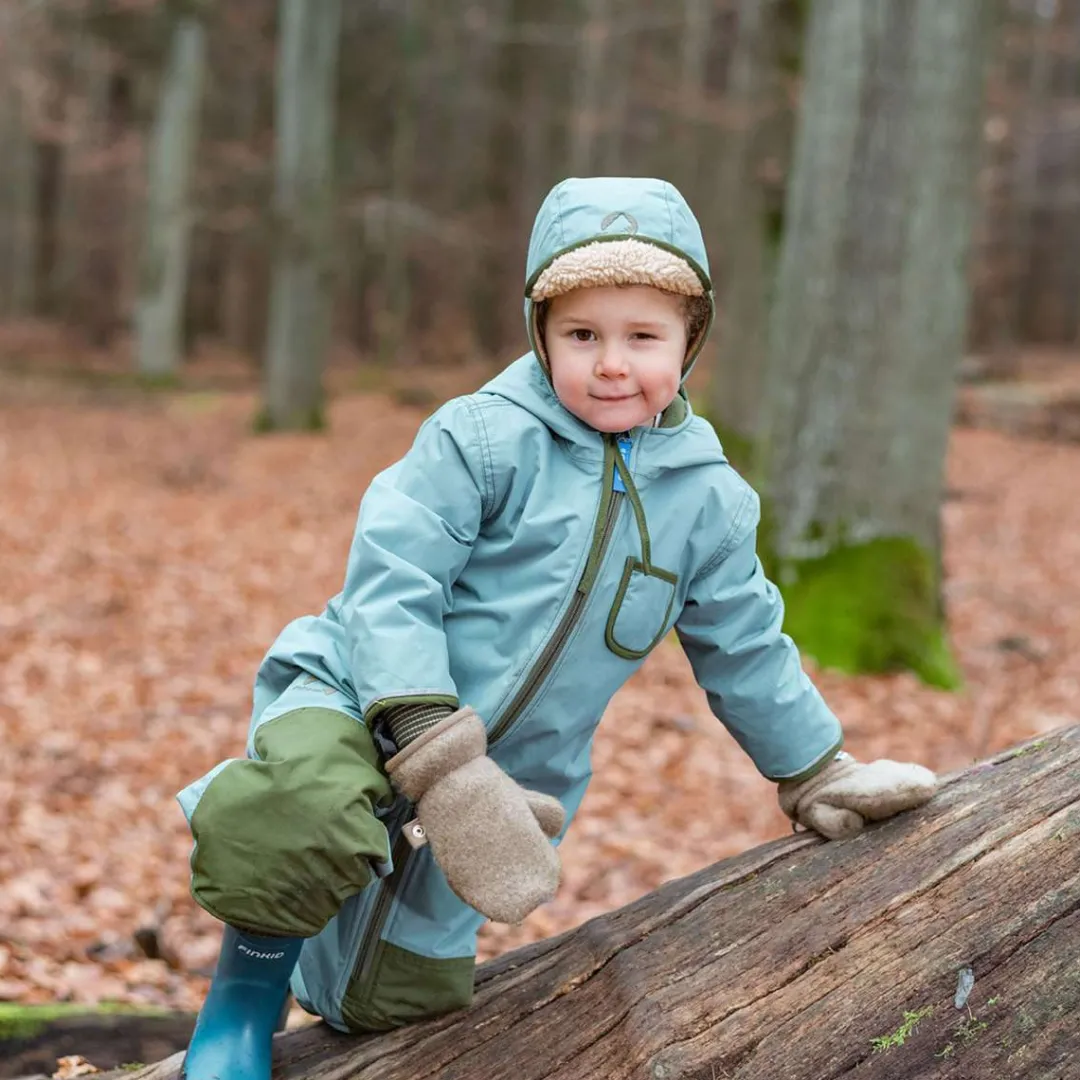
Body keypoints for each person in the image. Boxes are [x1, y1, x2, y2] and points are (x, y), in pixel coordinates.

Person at [175, 176, 938, 1078]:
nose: (612, 364)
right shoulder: (483, 440)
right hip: (365, 696)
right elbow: (394, 578)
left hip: (509, 780)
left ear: (690, 342)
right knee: (300, 810)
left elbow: (745, 645)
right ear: (541, 333)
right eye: (583, 335)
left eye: (643, 337)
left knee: (384, 1003)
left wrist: (816, 769)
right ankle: (236, 1012)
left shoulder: (709, 500)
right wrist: (427, 742)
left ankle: (312, 937)